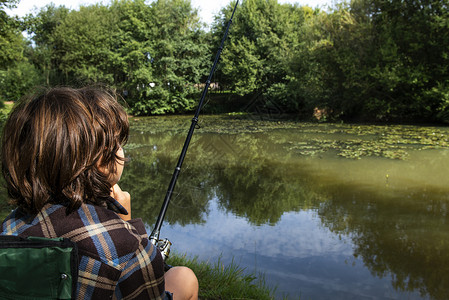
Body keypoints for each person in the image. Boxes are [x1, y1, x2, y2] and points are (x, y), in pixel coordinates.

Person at [0, 87, 198, 300]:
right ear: (102, 161)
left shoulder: (10, 227)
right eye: (119, 144)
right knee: (184, 277)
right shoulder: (126, 246)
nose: (122, 150)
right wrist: (128, 228)